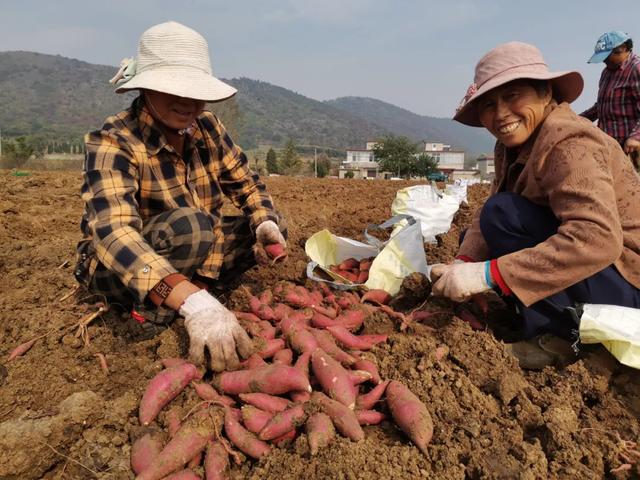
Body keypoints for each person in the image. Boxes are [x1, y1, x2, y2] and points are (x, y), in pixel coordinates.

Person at [74, 21, 287, 372]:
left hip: (192, 245)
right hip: (118, 266)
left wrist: (264, 220)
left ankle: (193, 287)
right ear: (145, 89)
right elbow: (113, 234)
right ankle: (152, 311)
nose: (187, 102)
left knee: (269, 226)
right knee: (193, 225)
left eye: (194, 90)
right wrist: (194, 304)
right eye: (173, 89)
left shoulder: (208, 128)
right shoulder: (114, 142)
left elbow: (247, 184)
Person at [431, 41, 640, 369]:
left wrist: (489, 275)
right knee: (491, 224)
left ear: (546, 93)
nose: (500, 115)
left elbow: (597, 238)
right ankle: (547, 314)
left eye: (513, 96)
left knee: (503, 217)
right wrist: (465, 261)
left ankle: (563, 337)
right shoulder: (510, 146)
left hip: (627, 286)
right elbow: (491, 210)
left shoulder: (571, 142)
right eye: (488, 105)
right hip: (598, 273)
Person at [580, 31, 640, 168]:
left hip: (631, 148)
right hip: (609, 146)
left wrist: (636, 137)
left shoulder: (636, 68)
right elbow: (601, 106)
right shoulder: (606, 73)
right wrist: (577, 119)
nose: (604, 61)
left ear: (623, 49)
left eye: (607, 57)